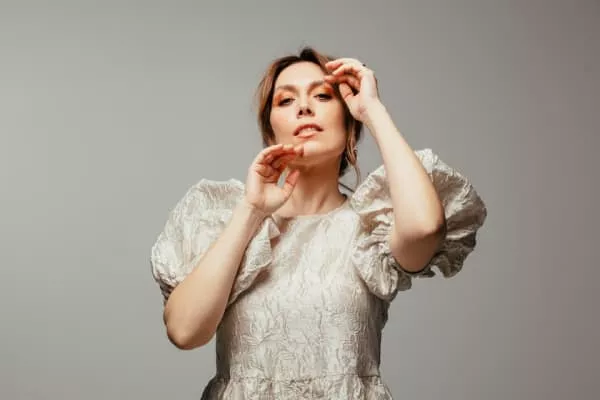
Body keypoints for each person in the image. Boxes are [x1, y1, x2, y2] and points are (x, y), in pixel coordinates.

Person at [150, 46, 487, 399]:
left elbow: (425, 228)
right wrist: (251, 210)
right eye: (285, 100)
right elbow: (184, 332)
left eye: (322, 96)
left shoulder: (372, 228)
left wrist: (373, 110)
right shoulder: (229, 218)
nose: (303, 108)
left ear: (349, 126)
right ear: (270, 133)